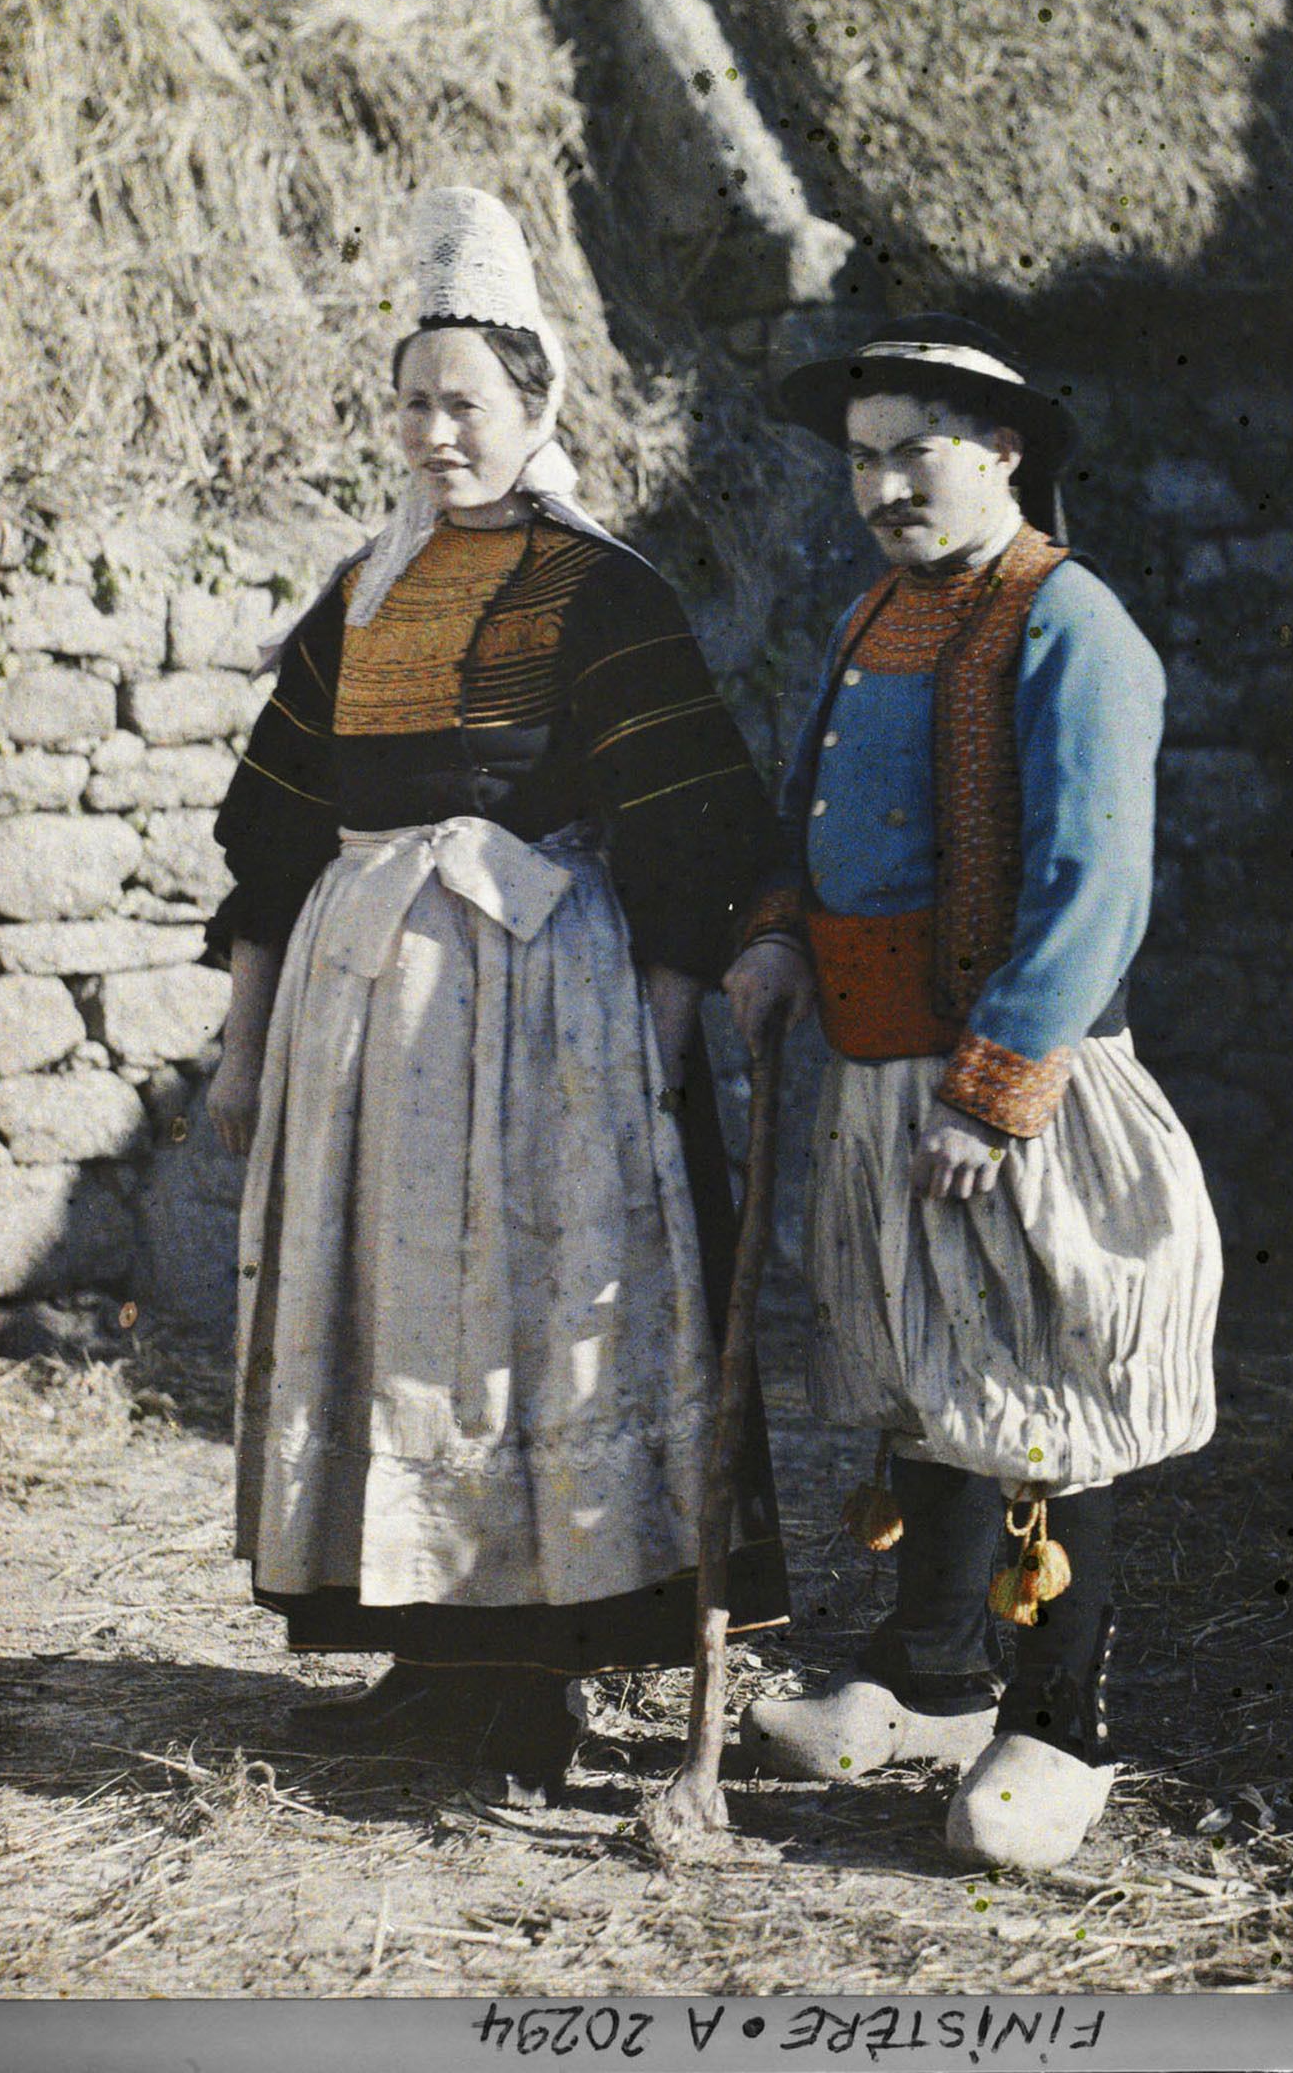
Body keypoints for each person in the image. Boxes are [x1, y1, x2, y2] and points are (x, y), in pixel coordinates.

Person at [206, 187, 789, 1798]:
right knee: (389, 1328)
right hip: (360, 1018)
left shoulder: (600, 592)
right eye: (411, 402)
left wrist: (654, 1064)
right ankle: (426, 1667)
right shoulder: (358, 599)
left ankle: (523, 1689)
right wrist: (245, 1054)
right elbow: (269, 842)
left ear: (535, 408)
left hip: (538, 1019)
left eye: (463, 402)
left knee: (506, 1339)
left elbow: (689, 829)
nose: (432, 432)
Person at [724, 313, 1221, 1874]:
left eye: (912, 452)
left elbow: (1095, 881)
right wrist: (777, 943)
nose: (881, 485)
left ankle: (1054, 1725)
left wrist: (994, 1085)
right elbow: (829, 818)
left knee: (1047, 1398)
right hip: (878, 1070)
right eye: (861, 458)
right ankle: (930, 1672)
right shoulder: (875, 611)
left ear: (1001, 452)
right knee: (925, 1374)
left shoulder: (1071, 625)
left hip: (1016, 1082)